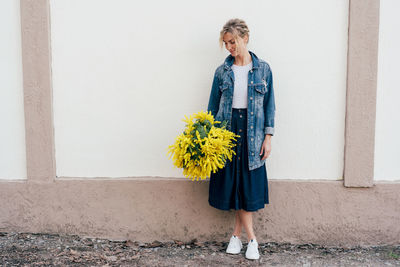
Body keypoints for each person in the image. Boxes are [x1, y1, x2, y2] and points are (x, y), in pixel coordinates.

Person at [207, 18, 275, 260]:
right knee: (235, 186)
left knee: (246, 187)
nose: (229, 47)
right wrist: (208, 137)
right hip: (227, 133)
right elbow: (212, 108)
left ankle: (242, 237)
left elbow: (270, 106)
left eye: (233, 41)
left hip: (253, 133)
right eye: (226, 43)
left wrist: (268, 138)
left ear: (245, 38)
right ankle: (248, 239)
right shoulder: (222, 72)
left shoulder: (264, 70)